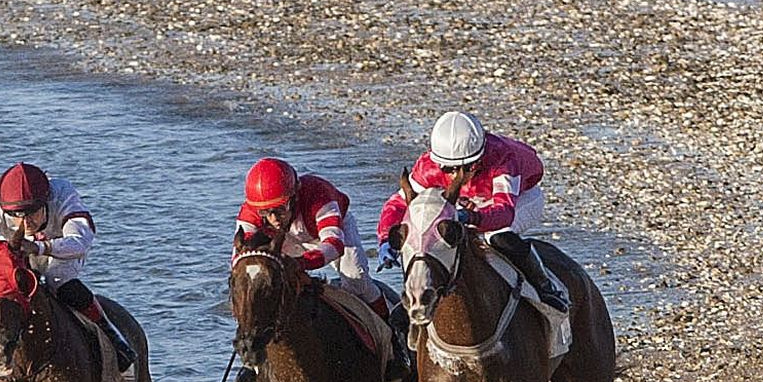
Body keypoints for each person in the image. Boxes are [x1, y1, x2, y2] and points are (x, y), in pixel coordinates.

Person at [0, 162, 135, 370]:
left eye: (32, 213)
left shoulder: (63, 195)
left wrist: (40, 247)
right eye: (16, 215)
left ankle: (112, 336)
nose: (25, 222)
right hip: (19, 254)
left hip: (62, 251)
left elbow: (80, 240)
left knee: (58, 280)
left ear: (45, 202)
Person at [376, 110, 569, 312]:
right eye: (448, 169)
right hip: (468, 202)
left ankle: (546, 287)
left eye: (464, 169)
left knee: (496, 235)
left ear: (478, 160)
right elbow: (397, 204)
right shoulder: (428, 168)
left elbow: (504, 212)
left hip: (522, 198)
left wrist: (472, 216)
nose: (455, 176)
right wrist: (385, 239)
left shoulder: (502, 161)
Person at [235, 158, 390, 318]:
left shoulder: (318, 194)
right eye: (265, 212)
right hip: (286, 239)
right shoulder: (250, 212)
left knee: (356, 278)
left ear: (295, 196)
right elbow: (240, 257)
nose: (274, 218)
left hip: (335, 232)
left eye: (280, 209)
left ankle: (389, 326)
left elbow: (334, 244)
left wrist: (301, 263)